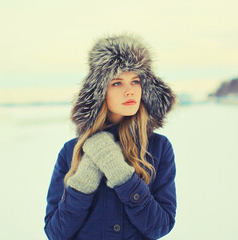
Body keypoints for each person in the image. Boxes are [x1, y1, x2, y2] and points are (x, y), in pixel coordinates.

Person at [44, 33, 177, 240]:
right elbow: (55, 232)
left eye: (135, 81)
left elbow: (160, 226)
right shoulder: (71, 151)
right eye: (117, 83)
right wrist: (83, 182)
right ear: (99, 91)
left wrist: (123, 177)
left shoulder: (159, 147)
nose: (129, 91)